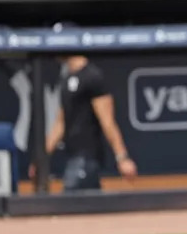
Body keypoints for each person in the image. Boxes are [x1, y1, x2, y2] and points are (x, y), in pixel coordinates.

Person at [32, 55, 137, 191]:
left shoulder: (92, 77)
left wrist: (122, 157)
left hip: (88, 155)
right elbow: (60, 123)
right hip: (71, 155)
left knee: (71, 199)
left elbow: (108, 122)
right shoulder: (66, 78)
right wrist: (41, 158)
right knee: (89, 205)